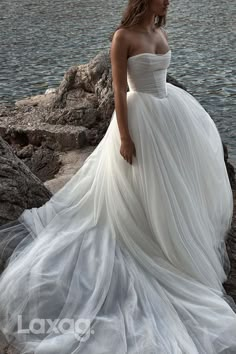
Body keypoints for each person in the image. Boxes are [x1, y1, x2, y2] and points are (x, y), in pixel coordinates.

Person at [0, 0, 236, 352]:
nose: (168, 0)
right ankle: (146, 243)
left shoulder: (158, 30)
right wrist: (125, 136)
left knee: (171, 189)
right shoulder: (122, 36)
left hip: (171, 116)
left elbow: (161, 80)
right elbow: (120, 92)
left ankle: (170, 242)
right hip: (140, 120)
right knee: (139, 188)